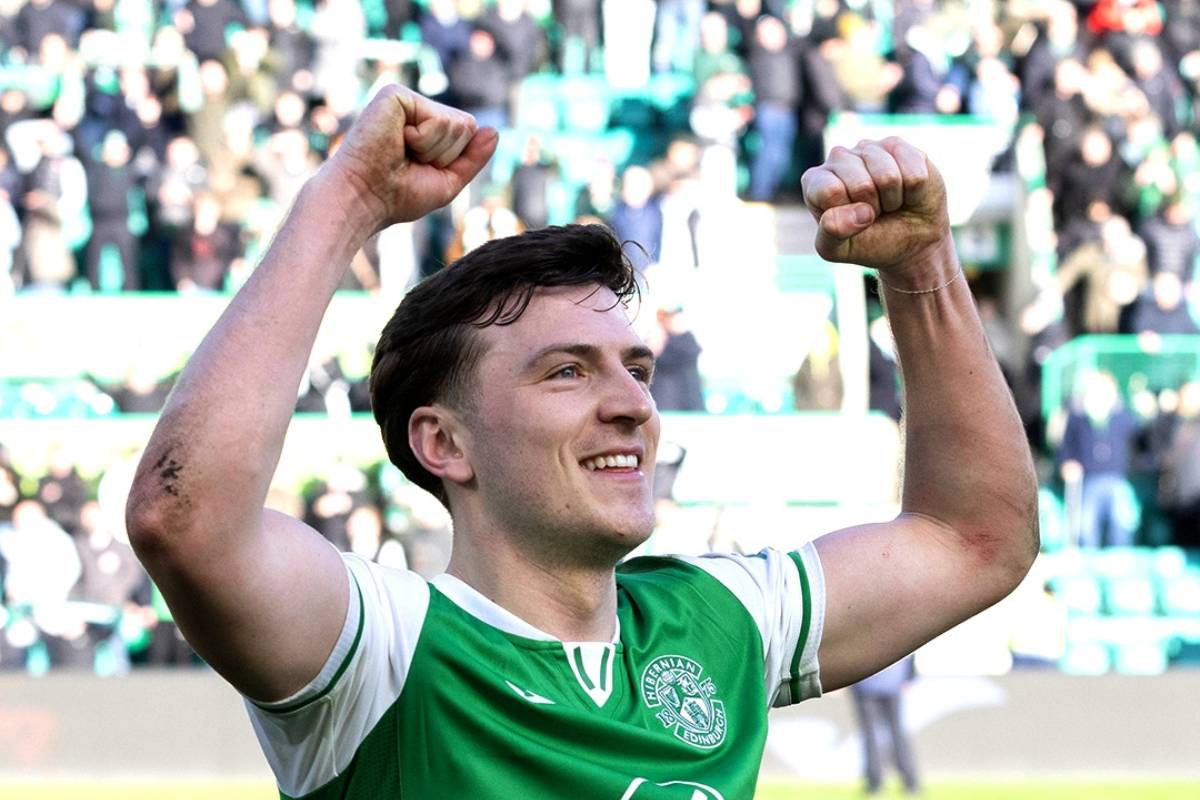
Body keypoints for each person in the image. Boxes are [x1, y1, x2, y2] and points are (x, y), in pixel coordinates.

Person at [125, 85, 1038, 798]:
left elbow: (977, 540)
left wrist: (922, 268)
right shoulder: (383, 654)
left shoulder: (721, 622)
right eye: (567, 372)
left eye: (636, 368)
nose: (632, 404)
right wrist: (348, 201)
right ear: (444, 444)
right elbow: (185, 517)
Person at [851, 655, 920, 796]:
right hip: (892, 681)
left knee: (872, 736)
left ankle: (875, 784)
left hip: (866, 683)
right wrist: (910, 675)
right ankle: (910, 783)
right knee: (897, 734)